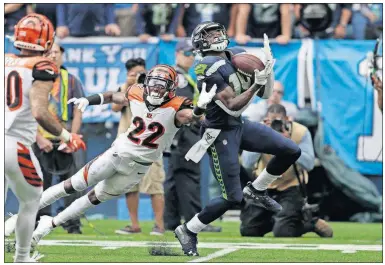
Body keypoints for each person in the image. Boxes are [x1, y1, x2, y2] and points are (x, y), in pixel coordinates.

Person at [5, 64, 218, 248]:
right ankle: (16, 220)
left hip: (138, 168)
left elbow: (191, 118)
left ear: (171, 89)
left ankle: (47, 226)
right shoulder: (136, 92)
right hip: (117, 154)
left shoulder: (177, 105)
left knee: (92, 199)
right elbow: (111, 96)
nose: (155, 88)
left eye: (161, 85)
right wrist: (89, 100)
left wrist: (200, 108)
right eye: (153, 83)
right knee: (71, 186)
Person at [174, 21, 301, 256]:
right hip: (219, 131)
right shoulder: (206, 66)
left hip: (238, 126)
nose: (216, 36)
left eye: (217, 32)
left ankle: (257, 189)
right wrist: (255, 85)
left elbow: (265, 93)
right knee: (232, 197)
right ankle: (188, 229)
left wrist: (268, 72)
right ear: (200, 41)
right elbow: (232, 107)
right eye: (209, 35)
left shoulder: (239, 55)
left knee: (291, 149)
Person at [5, 13, 85, 262]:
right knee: (32, 200)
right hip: (14, 144)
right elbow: (40, 111)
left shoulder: (4, 60)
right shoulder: (43, 66)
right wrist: (66, 134)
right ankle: (21, 258)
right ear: (47, 40)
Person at [240, 104, 333, 238]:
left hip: (290, 187)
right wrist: (261, 138)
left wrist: (288, 144)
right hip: (264, 186)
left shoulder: (300, 132)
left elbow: (309, 164)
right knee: (248, 230)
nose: (276, 126)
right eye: (273, 122)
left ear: (288, 119)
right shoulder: (258, 130)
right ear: (266, 120)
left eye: (279, 122)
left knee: (283, 232)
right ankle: (280, 220)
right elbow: (247, 163)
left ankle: (311, 223)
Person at [164, 40, 221, 232]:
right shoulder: (179, 78)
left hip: (176, 135)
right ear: (177, 54)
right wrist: (204, 118)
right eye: (187, 54)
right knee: (189, 176)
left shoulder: (177, 76)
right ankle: (195, 222)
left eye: (192, 54)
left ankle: (170, 221)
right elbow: (183, 108)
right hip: (185, 134)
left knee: (174, 178)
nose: (191, 58)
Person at [32, 42, 85, 234]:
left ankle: (72, 224)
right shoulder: (35, 79)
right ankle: (38, 223)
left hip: (66, 140)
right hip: (41, 140)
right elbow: (28, 112)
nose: (53, 56)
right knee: (39, 186)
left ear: (62, 56)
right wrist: (37, 138)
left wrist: (71, 137)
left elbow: (79, 110)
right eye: (49, 52)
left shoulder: (71, 80)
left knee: (74, 184)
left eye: (57, 52)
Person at [112, 58, 166, 236]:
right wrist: (129, 87)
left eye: (142, 73)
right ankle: (134, 225)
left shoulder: (156, 89)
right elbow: (114, 107)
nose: (139, 76)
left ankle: (159, 225)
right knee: (129, 186)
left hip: (150, 144)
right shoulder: (124, 88)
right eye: (134, 73)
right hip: (128, 144)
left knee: (155, 185)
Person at [56, 4, 121, 38]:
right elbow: (62, 4)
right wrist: (61, 24)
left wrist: (111, 22)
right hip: (72, 29)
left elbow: (108, 4)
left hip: (100, 29)